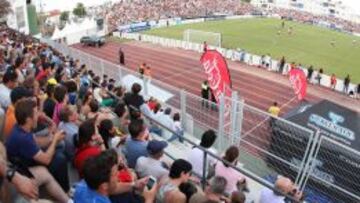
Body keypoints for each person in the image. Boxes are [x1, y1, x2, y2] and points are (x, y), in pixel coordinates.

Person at [5, 98, 70, 202]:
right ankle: (66, 192)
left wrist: (53, 138)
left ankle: (67, 196)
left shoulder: (21, 127)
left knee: (58, 152)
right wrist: (55, 140)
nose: (39, 115)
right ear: (28, 119)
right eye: (36, 113)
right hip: (23, 171)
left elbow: (37, 142)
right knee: (60, 159)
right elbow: (46, 160)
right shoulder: (23, 138)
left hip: (23, 164)